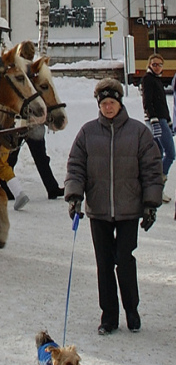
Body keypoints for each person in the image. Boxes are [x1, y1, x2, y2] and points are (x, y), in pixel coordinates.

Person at [64, 77, 163, 336]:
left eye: (112, 103)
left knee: (124, 260)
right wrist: (74, 196)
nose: (108, 107)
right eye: (104, 103)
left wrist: (150, 204)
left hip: (129, 208)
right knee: (104, 263)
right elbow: (76, 167)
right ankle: (108, 316)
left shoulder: (138, 132)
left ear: (119, 104)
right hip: (99, 210)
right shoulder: (87, 133)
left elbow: (152, 170)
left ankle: (132, 310)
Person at [7, 41, 64, 200]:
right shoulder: (37, 70)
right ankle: (51, 187)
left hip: (19, 121)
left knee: (11, 157)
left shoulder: (17, 70)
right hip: (34, 121)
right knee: (41, 157)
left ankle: (6, 187)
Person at [141, 53, 174, 201]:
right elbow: (148, 101)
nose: (157, 67)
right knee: (171, 153)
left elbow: (162, 103)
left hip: (161, 119)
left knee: (158, 153)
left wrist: (168, 120)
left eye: (160, 64)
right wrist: (154, 119)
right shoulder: (148, 80)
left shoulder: (156, 80)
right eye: (154, 64)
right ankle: (159, 182)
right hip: (156, 120)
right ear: (149, 65)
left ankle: (155, 189)